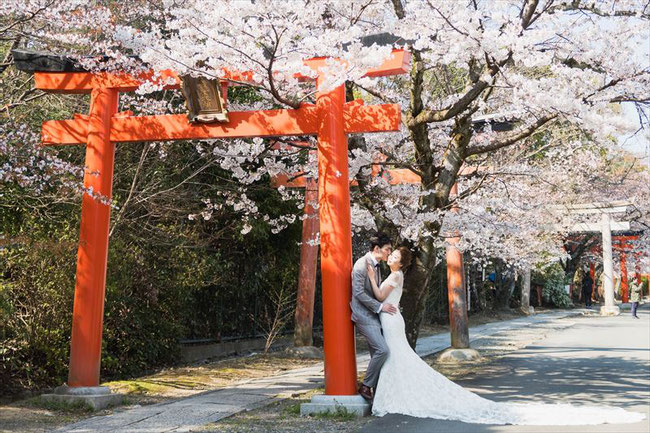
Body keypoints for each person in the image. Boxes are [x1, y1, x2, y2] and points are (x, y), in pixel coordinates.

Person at [365, 247, 645, 425]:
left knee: (396, 356)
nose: (391, 257)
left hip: (391, 318)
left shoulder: (395, 276)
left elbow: (378, 295)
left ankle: (390, 395)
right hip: (392, 318)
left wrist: (369, 274)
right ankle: (391, 393)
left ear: (402, 263)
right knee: (396, 357)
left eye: (395, 256)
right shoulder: (394, 275)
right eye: (390, 255)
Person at [350, 232, 397, 402]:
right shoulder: (362, 264)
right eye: (387, 249)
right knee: (382, 350)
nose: (389, 253)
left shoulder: (375, 264)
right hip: (363, 315)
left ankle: (379, 393)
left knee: (378, 354)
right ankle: (366, 386)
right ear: (377, 248)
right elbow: (358, 293)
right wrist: (380, 307)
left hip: (374, 316)